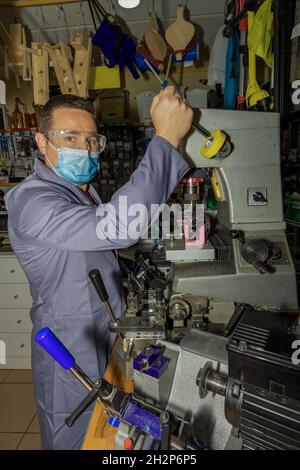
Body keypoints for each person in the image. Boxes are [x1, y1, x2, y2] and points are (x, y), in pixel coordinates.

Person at [5, 86, 193, 449]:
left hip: (106, 333)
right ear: (41, 142)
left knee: (114, 433)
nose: (85, 148)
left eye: (91, 140)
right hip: (69, 346)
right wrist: (166, 138)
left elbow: (97, 249)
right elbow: (117, 227)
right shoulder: (32, 200)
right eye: (70, 137)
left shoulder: (81, 190)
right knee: (76, 438)